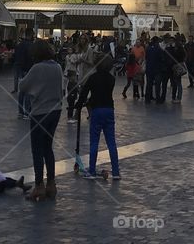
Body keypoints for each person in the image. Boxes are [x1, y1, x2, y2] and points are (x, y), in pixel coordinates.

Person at [18, 41, 65, 200]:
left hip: (40, 112)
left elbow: (23, 86)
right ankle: (51, 183)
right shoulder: (58, 67)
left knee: (37, 150)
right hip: (56, 111)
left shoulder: (37, 68)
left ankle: (39, 186)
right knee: (48, 148)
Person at [76, 53, 121, 179]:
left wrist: (79, 105)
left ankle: (91, 171)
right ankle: (116, 171)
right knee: (111, 142)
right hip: (109, 109)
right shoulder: (112, 79)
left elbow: (84, 94)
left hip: (96, 110)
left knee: (94, 141)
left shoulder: (92, 78)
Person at [13, 28, 35, 119]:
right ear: (30, 35)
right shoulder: (30, 45)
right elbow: (31, 58)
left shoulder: (19, 45)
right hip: (28, 69)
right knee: (28, 92)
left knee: (22, 91)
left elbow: (16, 56)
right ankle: (27, 112)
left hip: (19, 68)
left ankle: (20, 112)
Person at [144, 37, 162, 103]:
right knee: (157, 85)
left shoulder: (148, 49)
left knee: (149, 84)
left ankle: (147, 98)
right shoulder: (159, 49)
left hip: (149, 69)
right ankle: (158, 98)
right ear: (157, 42)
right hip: (157, 69)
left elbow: (146, 58)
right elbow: (161, 58)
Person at [168, 37, 186, 101]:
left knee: (178, 82)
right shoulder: (181, 49)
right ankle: (177, 97)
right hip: (177, 66)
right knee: (177, 82)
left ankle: (178, 97)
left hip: (177, 67)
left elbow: (177, 57)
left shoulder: (178, 49)